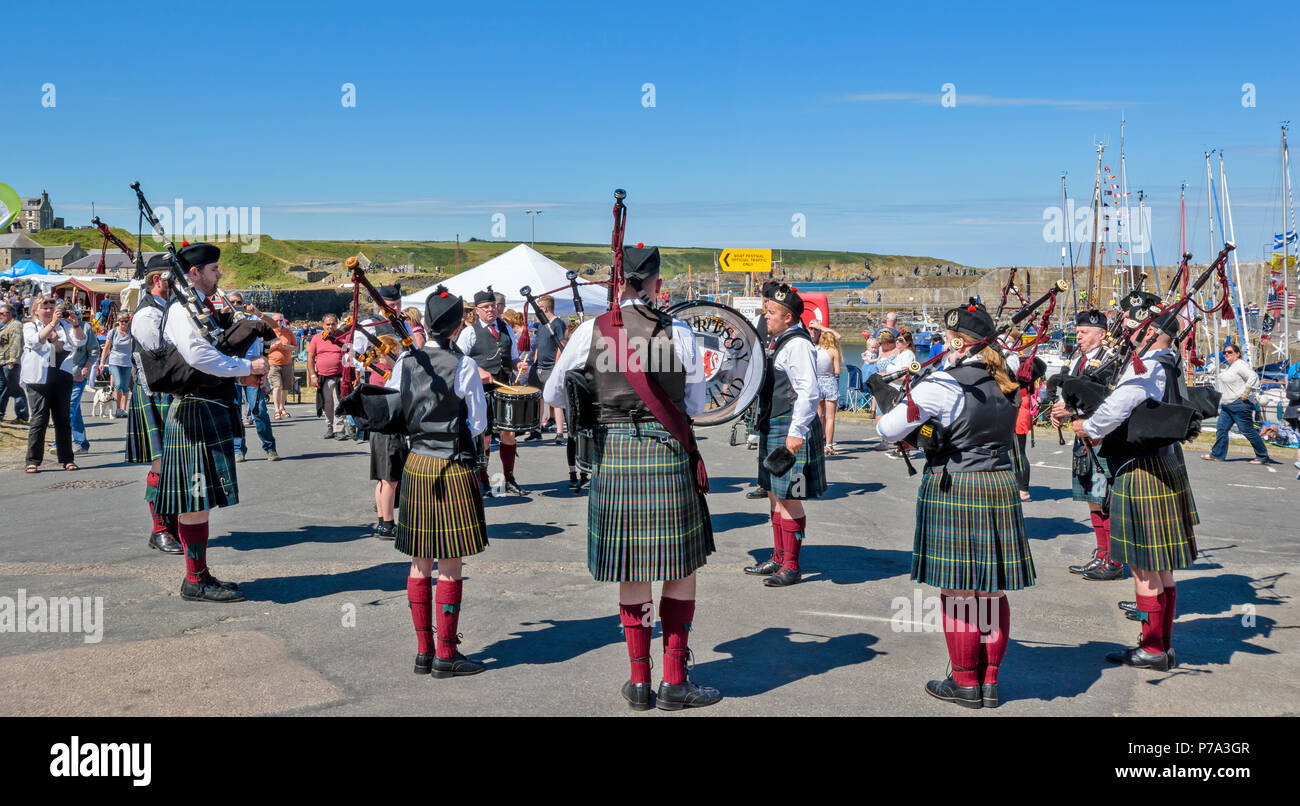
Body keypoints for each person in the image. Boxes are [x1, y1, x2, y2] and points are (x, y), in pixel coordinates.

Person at [542, 245, 721, 712]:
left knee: (632, 569)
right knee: (679, 568)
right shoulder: (680, 333)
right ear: (657, 284)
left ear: (618, 285)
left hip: (615, 453)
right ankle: (675, 681)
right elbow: (697, 407)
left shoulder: (591, 331)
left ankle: (639, 681)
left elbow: (553, 391)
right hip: (666, 452)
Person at [876, 300, 1034, 709]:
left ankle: (965, 683)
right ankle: (991, 681)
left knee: (959, 591)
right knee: (992, 592)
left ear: (958, 343)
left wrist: (892, 400)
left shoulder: (942, 385)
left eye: (948, 339)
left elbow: (888, 429)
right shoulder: (1007, 380)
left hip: (956, 486)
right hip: (1000, 483)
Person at [344, 285, 489, 678]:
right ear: (459, 324)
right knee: (450, 563)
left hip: (416, 463)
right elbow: (478, 424)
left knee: (419, 562)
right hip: (453, 466)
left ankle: (424, 653)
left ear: (425, 322)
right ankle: (446, 655)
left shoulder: (406, 359)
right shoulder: (464, 366)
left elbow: (391, 406)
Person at [1074, 310, 1198, 671]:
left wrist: (1089, 426)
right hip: (1161, 464)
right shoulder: (1170, 363)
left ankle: (1153, 648)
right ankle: (1161, 645)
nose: (1133, 335)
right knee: (1161, 568)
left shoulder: (1148, 367)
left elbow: (1118, 405)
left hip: (1141, 468)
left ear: (1153, 333)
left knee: (1145, 567)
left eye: (1140, 330)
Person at [153, 243, 269, 603]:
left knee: (197, 500)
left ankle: (198, 574)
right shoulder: (179, 311)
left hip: (204, 409)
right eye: (214, 269)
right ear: (194, 273)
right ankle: (194, 580)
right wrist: (246, 369)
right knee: (194, 500)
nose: (219, 275)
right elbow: (199, 356)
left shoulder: (197, 309)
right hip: (192, 413)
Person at [745, 284, 827, 587]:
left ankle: (791, 566)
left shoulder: (797, 344)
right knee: (773, 492)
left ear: (789, 317)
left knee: (789, 495)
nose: (767, 317)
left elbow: (809, 391)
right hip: (773, 423)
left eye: (772, 313)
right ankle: (779, 556)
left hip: (789, 426)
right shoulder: (779, 340)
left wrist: (795, 432)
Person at [1051, 309, 1123, 581]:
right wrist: (1058, 409)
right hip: (1083, 440)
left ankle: (1114, 560)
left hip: (1103, 440)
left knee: (1106, 501)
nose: (1078, 336)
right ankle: (1102, 554)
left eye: (1084, 332)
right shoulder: (1075, 361)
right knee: (1093, 500)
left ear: (1101, 334)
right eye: (1077, 332)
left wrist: (1070, 411)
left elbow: (1110, 401)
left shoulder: (1112, 363)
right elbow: (1068, 394)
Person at [127, 257, 181, 553]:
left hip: (171, 390)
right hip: (155, 392)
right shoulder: (147, 313)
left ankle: (169, 527)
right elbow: (162, 355)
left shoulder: (169, 308)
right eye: (172, 278)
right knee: (161, 464)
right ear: (157, 280)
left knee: (175, 464)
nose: (177, 283)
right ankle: (160, 530)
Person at [457, 286, 528, 496]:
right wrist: (478, 370)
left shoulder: (505, 329)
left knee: (509, 434)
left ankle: (509, 478)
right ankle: (483, 479)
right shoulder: (469, 332)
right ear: (477, 310)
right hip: (482, 392)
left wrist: (519, 366)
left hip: (505, 389)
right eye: (486, 307)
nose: (491, 310)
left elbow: (513, 357)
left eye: (493, 306)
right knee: (485, 437)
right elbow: (459, 360)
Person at [22, 295, 86, 472]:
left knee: (63, 420)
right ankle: (33, 460)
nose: (50, 310)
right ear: (36, 310)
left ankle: (67, 459)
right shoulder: (30, 326)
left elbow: (81, 341)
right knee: (39, 419)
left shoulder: (64, 326)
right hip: (38, 378)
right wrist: (52, 324)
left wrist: (75, 324)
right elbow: (34, 341)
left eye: (52, 306)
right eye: (45, 306)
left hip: (61, 376)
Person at [1202, 342, 1271, 464]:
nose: (1226, 354)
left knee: (1247, 431)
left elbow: (1253, 376)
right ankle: (1217, 455)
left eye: (1230, 352)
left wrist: (1246, 392)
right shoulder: (1231, 366)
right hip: (1227, 405)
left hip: (1239, 405)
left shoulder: (1239, 365)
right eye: (1225, 352)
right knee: (1221, 429)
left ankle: (1262, 456)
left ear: (1237, 354)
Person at [367, 334, 408, 540]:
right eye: (396, 350)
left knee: (383, 480)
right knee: (390, 479)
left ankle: (384, 521)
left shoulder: (382, 371)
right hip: (388, 428)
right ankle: (388, 524)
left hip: (380, 429)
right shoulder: (384, 372)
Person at [531, 295, 570, 447]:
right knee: (539, 398)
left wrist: (557, 365)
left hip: (552, 367)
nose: (536, 311)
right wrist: (536, 358)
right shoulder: (541, 325)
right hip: (539, 366)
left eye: (538, 307)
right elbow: (540, 345)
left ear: (544, 308)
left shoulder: (558, 323)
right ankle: (537, 430)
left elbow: (562, 345)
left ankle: (559, 432)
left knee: (556, 400)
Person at [307, 313, 350, 440]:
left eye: (333, 324)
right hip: (322, 377)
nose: (330, 327)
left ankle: (339, 429)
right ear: (323, 325)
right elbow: (310, 358)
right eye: (327, 324)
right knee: (326, 404)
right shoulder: (316, 338)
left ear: (337, 324)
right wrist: (312, 375)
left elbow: (350, 355)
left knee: (339, 403)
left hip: (339, 376)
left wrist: (352, 375)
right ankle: (330, 426)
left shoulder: (343, 337)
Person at [67, 306, 101, 453]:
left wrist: (86, 368)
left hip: (77, 375)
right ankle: (81, 442)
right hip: (59, 376)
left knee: (69, 407)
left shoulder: (85, 327)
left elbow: (94, 350)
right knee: (74, 410)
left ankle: (60, 441)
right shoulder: (57, 327)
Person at [811, 325, 843, 455]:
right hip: (829, 382)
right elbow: (837, 371)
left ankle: (817, 441)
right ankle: (829, 445)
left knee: (818, 415)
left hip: (817, 382)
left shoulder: (815, 349)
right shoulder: (833, 351)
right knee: (830, 417)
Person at [98, 313, 134, 418]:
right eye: (121, 321)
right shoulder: (113, 332)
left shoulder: (132, 333)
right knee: (118, 384)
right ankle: (118, 409)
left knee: (126, 387)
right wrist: (102, 362)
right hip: (114, 361)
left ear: (128, 321)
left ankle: (123, 409)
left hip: (127, 362)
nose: (124, 323)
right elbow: (106, 348)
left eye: (126, 321)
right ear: (118, 321)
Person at [0, 302, 27, 423]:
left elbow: (17, 343)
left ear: (9, 314)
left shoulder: (15, 325)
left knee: (14, 389)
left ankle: (22, 416)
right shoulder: (6, 325)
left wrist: (13, 361)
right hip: (3, 362)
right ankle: (0, 412)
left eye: (1, 313)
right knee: (3, 388)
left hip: (10, 363)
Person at [266, 313, 296, 420]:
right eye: (276, 321)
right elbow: (263, 349)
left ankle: (282, 407)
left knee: (285, 387)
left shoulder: (288, 332)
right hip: (273, 363)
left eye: (280, 320)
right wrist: (272, 347)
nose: (278, 323)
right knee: (277, 386)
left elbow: (295, 347)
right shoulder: (267, 331)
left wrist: (284, 346)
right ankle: (277, 410)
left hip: (287, 363)